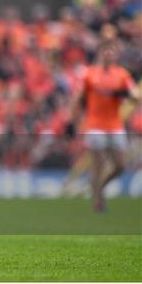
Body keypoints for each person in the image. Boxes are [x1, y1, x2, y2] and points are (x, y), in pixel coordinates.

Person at [67, 40, 139, 211]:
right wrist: (73, 121)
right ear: (100, 53)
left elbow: (135, 96)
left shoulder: (122, 75)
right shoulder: (90, 74)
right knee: (98, 164)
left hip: (115, 125)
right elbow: (78, 98)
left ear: (115, 55)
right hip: (95, 125)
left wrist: (126, 94)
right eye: (106, 50)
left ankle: (99, 189)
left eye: (112, 51)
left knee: (119, 165)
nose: (109, 54)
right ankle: (98, 201)